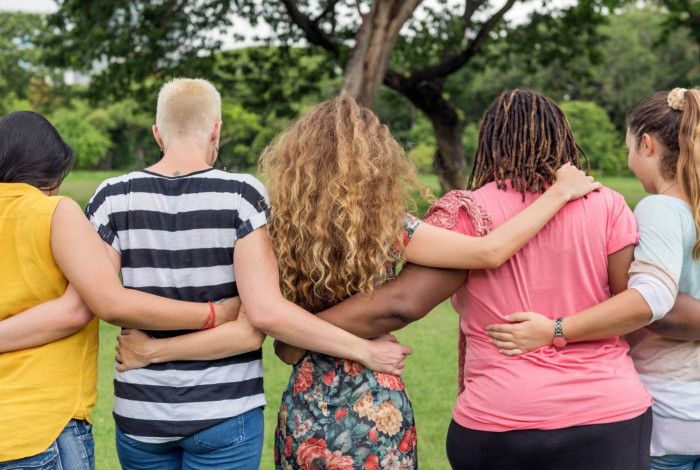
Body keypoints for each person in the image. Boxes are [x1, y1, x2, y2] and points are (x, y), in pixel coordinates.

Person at [115, 95, 599, 469]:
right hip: (375, 397)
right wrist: (558, 193)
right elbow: (488, 252)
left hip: (306, 400)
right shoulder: (387, 226)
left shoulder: (273, 226)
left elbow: (262, 314)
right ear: (377, 160)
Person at [266, 89, 654, 469]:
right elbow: (630, 310)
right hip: (609, 410)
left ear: (490, 142)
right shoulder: (608, 204)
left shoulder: (467, 212)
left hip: (501, 416)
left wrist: (297, 336)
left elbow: (404, 304)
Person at [79, 80, 411, 470]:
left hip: (141, 414)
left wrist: (154, 349)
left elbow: (106, 299)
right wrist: (366, 350)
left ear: (158, 134)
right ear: (216, 129)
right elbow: (263, 315)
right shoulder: (241, 196)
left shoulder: (111, 197)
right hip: (226, 413)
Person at [0, 110, 241, 470]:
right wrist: (212, 314)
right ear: (49, 169)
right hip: (41, 423)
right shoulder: (53, 212)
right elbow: (97, 304)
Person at [485, 88, 700, 470]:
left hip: (672, 411)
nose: (629, 158)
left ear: (647, 145)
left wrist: (555, 329)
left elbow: (653, 300)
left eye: (629, 147)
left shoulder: (660, 209)